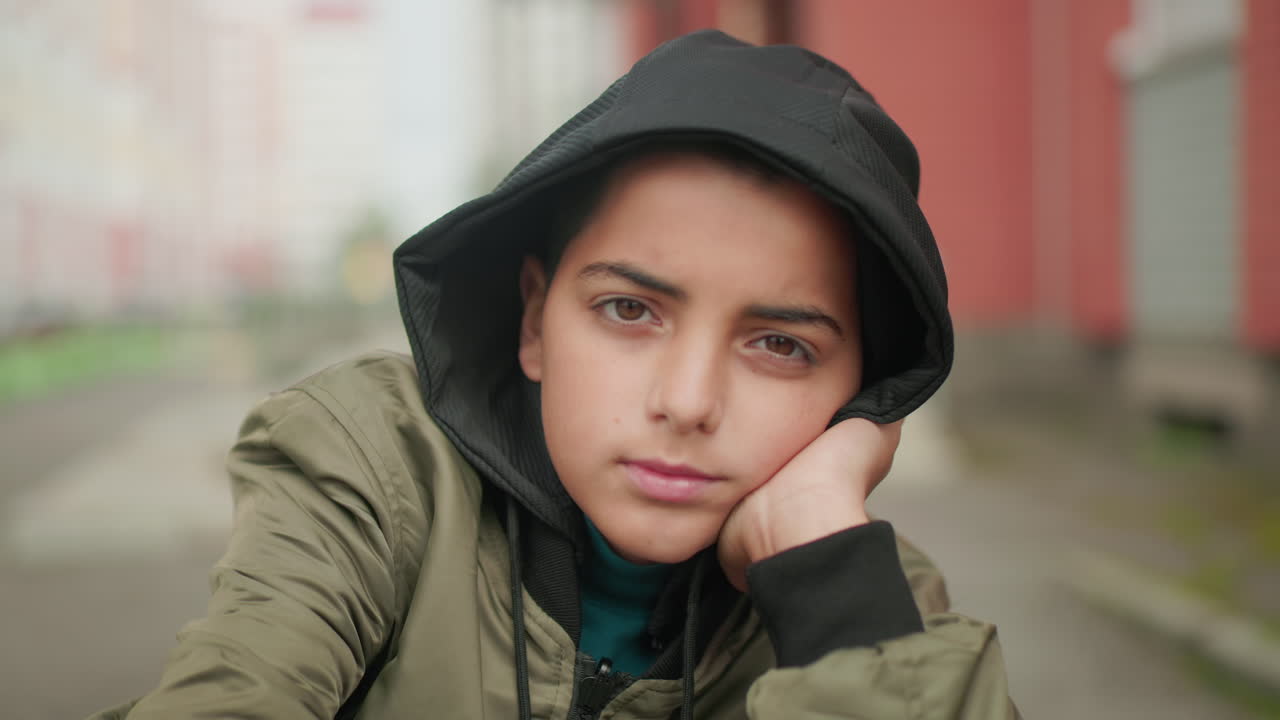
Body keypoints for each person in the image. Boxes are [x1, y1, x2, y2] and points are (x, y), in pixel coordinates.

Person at [93, 30, 1018, 719]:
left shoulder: (874, 608)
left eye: (780, 345)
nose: (687, 403)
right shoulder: (380, 472)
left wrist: (825, 572)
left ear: (858, 392)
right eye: (630, 310)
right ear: (535, 319)